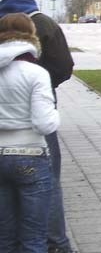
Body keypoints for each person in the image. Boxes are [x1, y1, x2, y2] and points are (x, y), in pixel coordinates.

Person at [0, 0, 74, 253]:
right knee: (48, 185)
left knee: (5, 230)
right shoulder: (43, 23)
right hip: (32, 139)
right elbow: (64, 67)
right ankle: (57, 243)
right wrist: (45, 87)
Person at [0, 13, 60, 253]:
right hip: (30, 156)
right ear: (31, 36)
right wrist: (56, 114)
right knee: (34, 238)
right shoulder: (35, 73)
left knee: (4, 237)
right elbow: (45, 124)